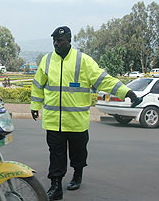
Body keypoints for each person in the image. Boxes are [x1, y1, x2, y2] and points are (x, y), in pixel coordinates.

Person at [30, 26, 138, 200]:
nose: (56, 44)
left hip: (76, 121)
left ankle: (77, 174)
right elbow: (38, 85)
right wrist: (35, 106)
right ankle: (55, 185)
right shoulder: (47, 60)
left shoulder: (83, 61)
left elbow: (104, 80)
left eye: (60, 41)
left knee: (78, 152)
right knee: (56, 154)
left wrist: (127, 92)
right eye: (54, 41)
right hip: (53, 121)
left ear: (69, 41)